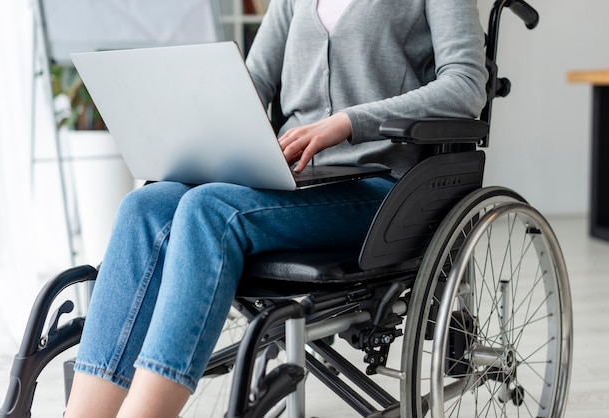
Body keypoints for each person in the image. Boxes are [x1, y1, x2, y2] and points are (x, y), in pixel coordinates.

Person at [64, 0, 488, 416]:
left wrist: (347, 122)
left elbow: (466, 85)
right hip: (292, 183)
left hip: (384, 191)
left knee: (209, 210)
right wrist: (183, 113)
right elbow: (249, 84)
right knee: (145, 206)